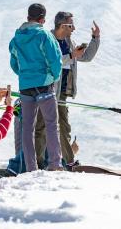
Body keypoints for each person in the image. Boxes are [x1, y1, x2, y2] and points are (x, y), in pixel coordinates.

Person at [35, 12, 100, 168]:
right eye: (71, 25)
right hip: (47, 90)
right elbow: (50, 62)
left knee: (64, 126)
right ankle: (37, 163)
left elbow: (86, 57)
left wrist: (95, 39)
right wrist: (71, 55)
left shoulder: (69, 42)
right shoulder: (47, 40)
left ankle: (69, 162)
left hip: (62, 92)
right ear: (62, 25)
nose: (74, 28)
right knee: (42, 126)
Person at [9, 3, 63, 171]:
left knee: (27, 128)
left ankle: (31, 168)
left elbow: (14, 63)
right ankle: (55, 163)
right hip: (45, 85)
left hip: (26, 87)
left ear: (27, 18)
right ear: (43, 20)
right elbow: (55, 60)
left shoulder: (16, 38)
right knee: (51, 124)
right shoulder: (45, 35)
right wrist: (53, 77)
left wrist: (24, 76)